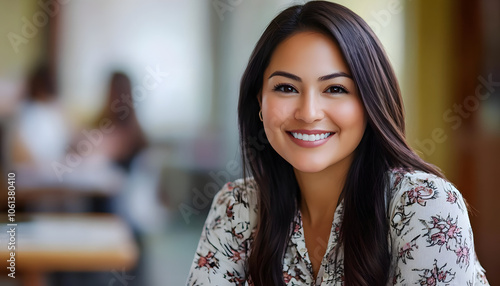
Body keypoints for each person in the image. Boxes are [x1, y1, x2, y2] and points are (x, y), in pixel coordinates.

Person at [187, 1, 489, 285]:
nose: (308, 113)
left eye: (334, 88)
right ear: (259, 101)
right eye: (286, 87)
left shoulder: (423, 204)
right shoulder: (236, 207)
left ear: (371, 101)